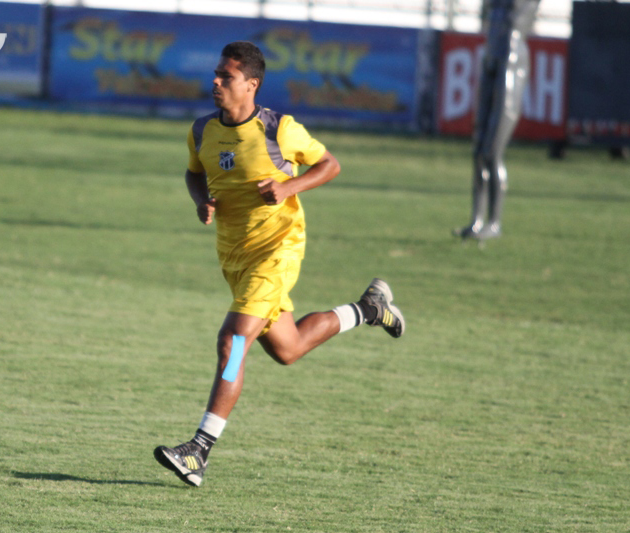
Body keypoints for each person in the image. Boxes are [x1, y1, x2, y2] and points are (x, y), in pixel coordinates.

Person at [153, 41, 404, 487]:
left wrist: (289, 188)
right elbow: (194, 172)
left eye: (226, 76)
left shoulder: (279, 129)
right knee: (288, 348)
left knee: (233, 343)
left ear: (251, 84)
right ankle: (369, 309)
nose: (215, 81)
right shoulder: (202, 130)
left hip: (277, 250)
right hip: (235, 257)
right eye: (216, 73)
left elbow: (329, 165)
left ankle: (199, 450)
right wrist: (200, 200)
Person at [456, 0, 540, 240]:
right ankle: (476, 220)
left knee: (492, 151)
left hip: (510, 58)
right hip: (491, 56)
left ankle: (494, 223)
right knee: (478, 150)